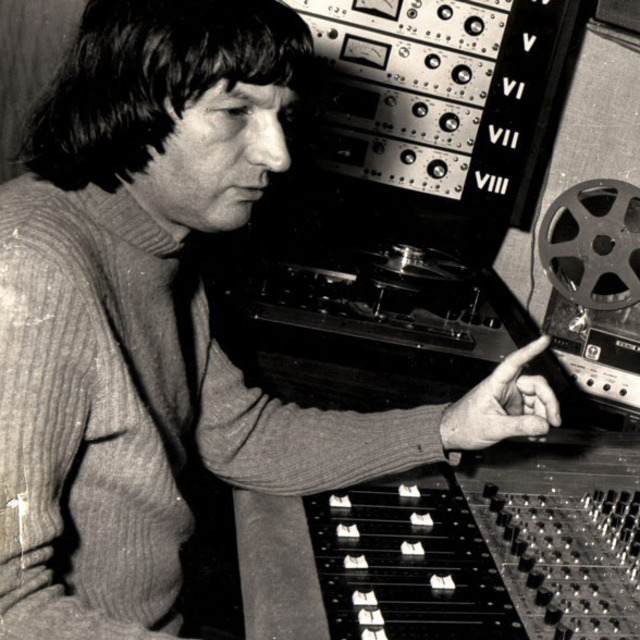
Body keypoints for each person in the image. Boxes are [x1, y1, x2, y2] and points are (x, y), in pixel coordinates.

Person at [0, 0, 561, 638]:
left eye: (280, 115)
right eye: (236, 112)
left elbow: (239, 438)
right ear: (129, 103)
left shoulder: (162, 243)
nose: (278, 154)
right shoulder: (28, 266)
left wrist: (448, 426)